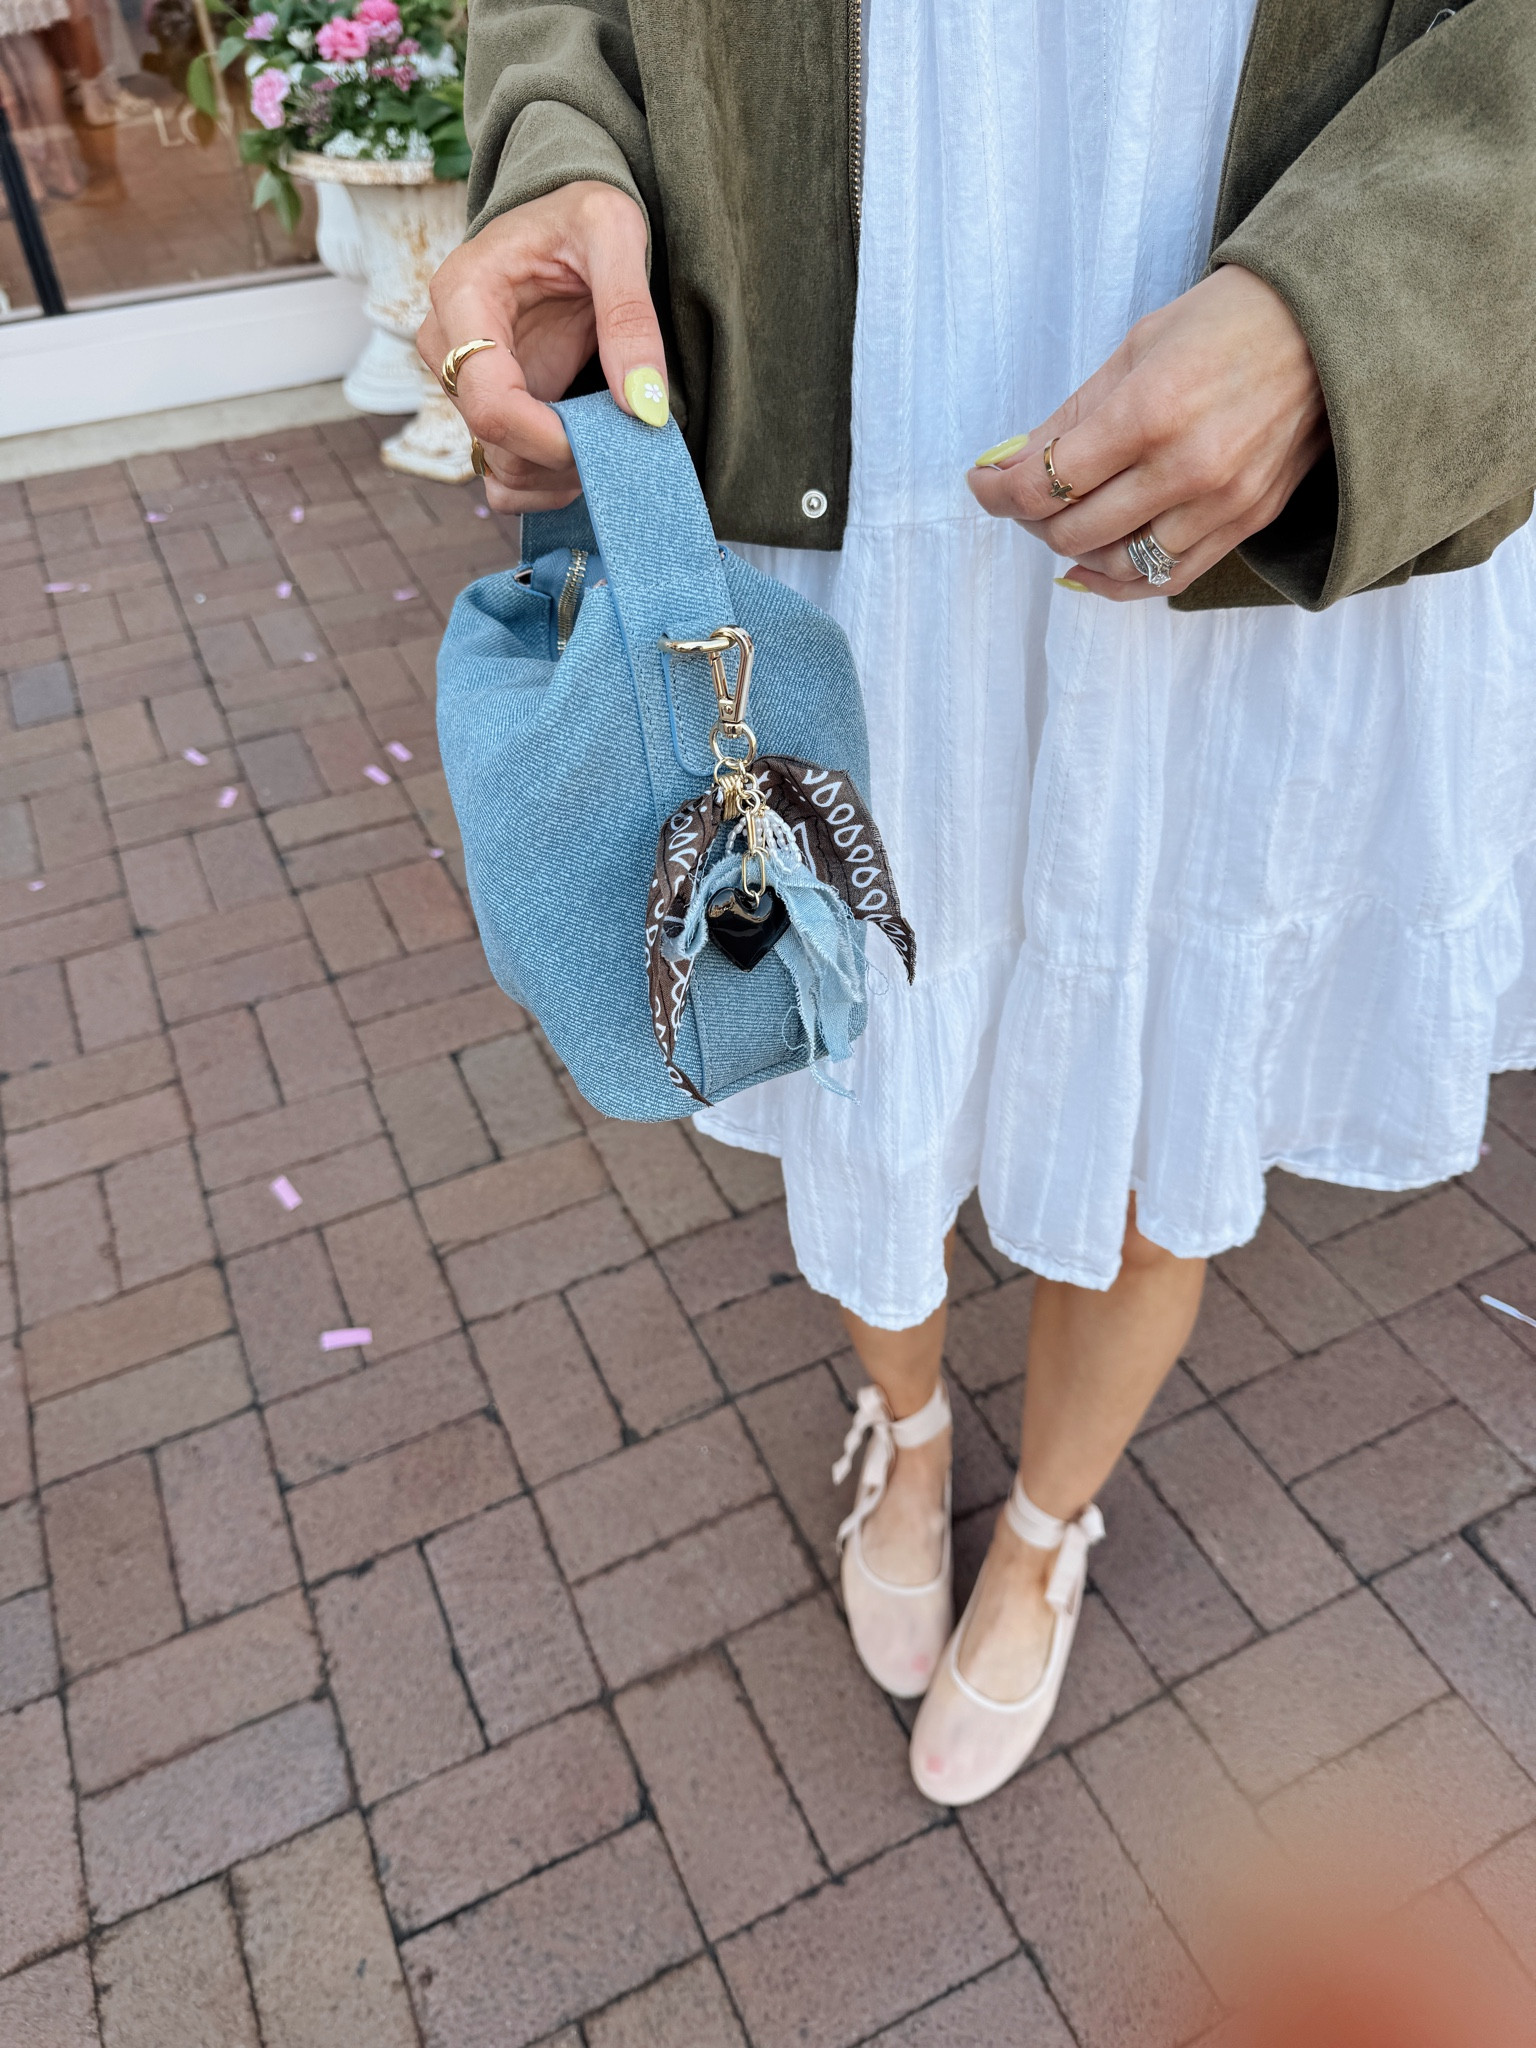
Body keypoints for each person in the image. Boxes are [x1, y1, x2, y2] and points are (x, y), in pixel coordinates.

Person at [420, 0, 1536, 1805]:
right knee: (862, 1030)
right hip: (853, 372)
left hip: (1284, 345)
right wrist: (558, 147)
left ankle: (1043, 1530)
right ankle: (912, 1419)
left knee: (1177, 1045)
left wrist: (1374, 294)